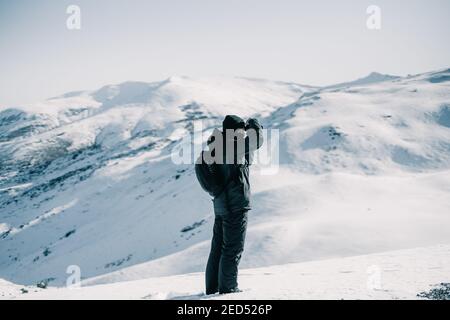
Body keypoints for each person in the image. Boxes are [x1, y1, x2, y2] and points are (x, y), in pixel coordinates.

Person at [205, 115, 264, 294]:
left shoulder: (217, 146)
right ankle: (228, 289)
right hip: (235, 205)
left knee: (217, 248)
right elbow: (256, 140)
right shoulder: (232, 146)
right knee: (232, 248)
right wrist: (254, 123)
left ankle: (212, 288)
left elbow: (244, 162)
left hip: (221, 206)